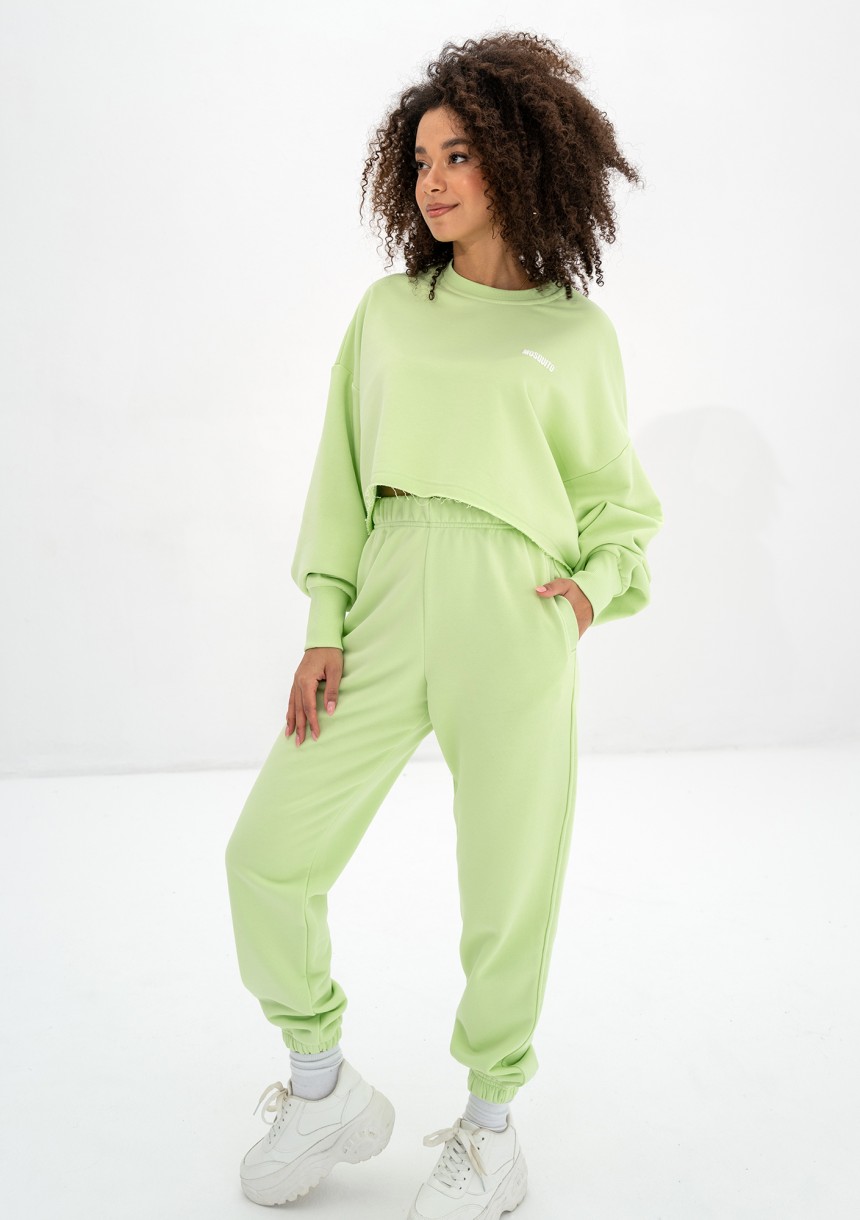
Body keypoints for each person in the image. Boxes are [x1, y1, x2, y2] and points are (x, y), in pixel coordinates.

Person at [224, 29, 664, 1218]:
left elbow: (617, 503)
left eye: (459, 153)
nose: (433, 178)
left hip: (514, 612)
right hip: (386, 591)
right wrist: (324, 620)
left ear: (519, 159)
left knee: (507, 879)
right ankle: (321, 1084)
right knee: (265, 852)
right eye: (420, 158)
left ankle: (488, 1127)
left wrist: (589, 589)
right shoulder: (387, 312)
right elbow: (340, 474)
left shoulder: (573, 334)